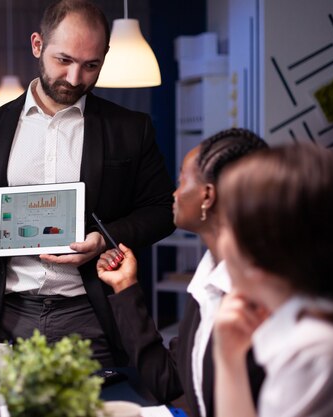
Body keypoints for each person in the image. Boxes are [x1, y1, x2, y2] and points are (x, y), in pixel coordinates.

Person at [0, 0, 175, 366]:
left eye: (91, 65)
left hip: (91, 315)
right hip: (4, 316)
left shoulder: (131, 129)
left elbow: (163, 211)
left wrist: (103, 239)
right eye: (63, 60)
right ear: (37, 45)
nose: (74, 78)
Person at [96, 128, 267, 416]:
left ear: (207, 195)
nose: (174, 193)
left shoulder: (256, 295)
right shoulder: (207, 278)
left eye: (181, 181)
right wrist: (125, 287)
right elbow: (168, 381)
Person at [213, 144, 333, 417]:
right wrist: (229, 358)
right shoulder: (328, 325)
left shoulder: (313, 353)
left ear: (257, 253)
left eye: (224, 226)